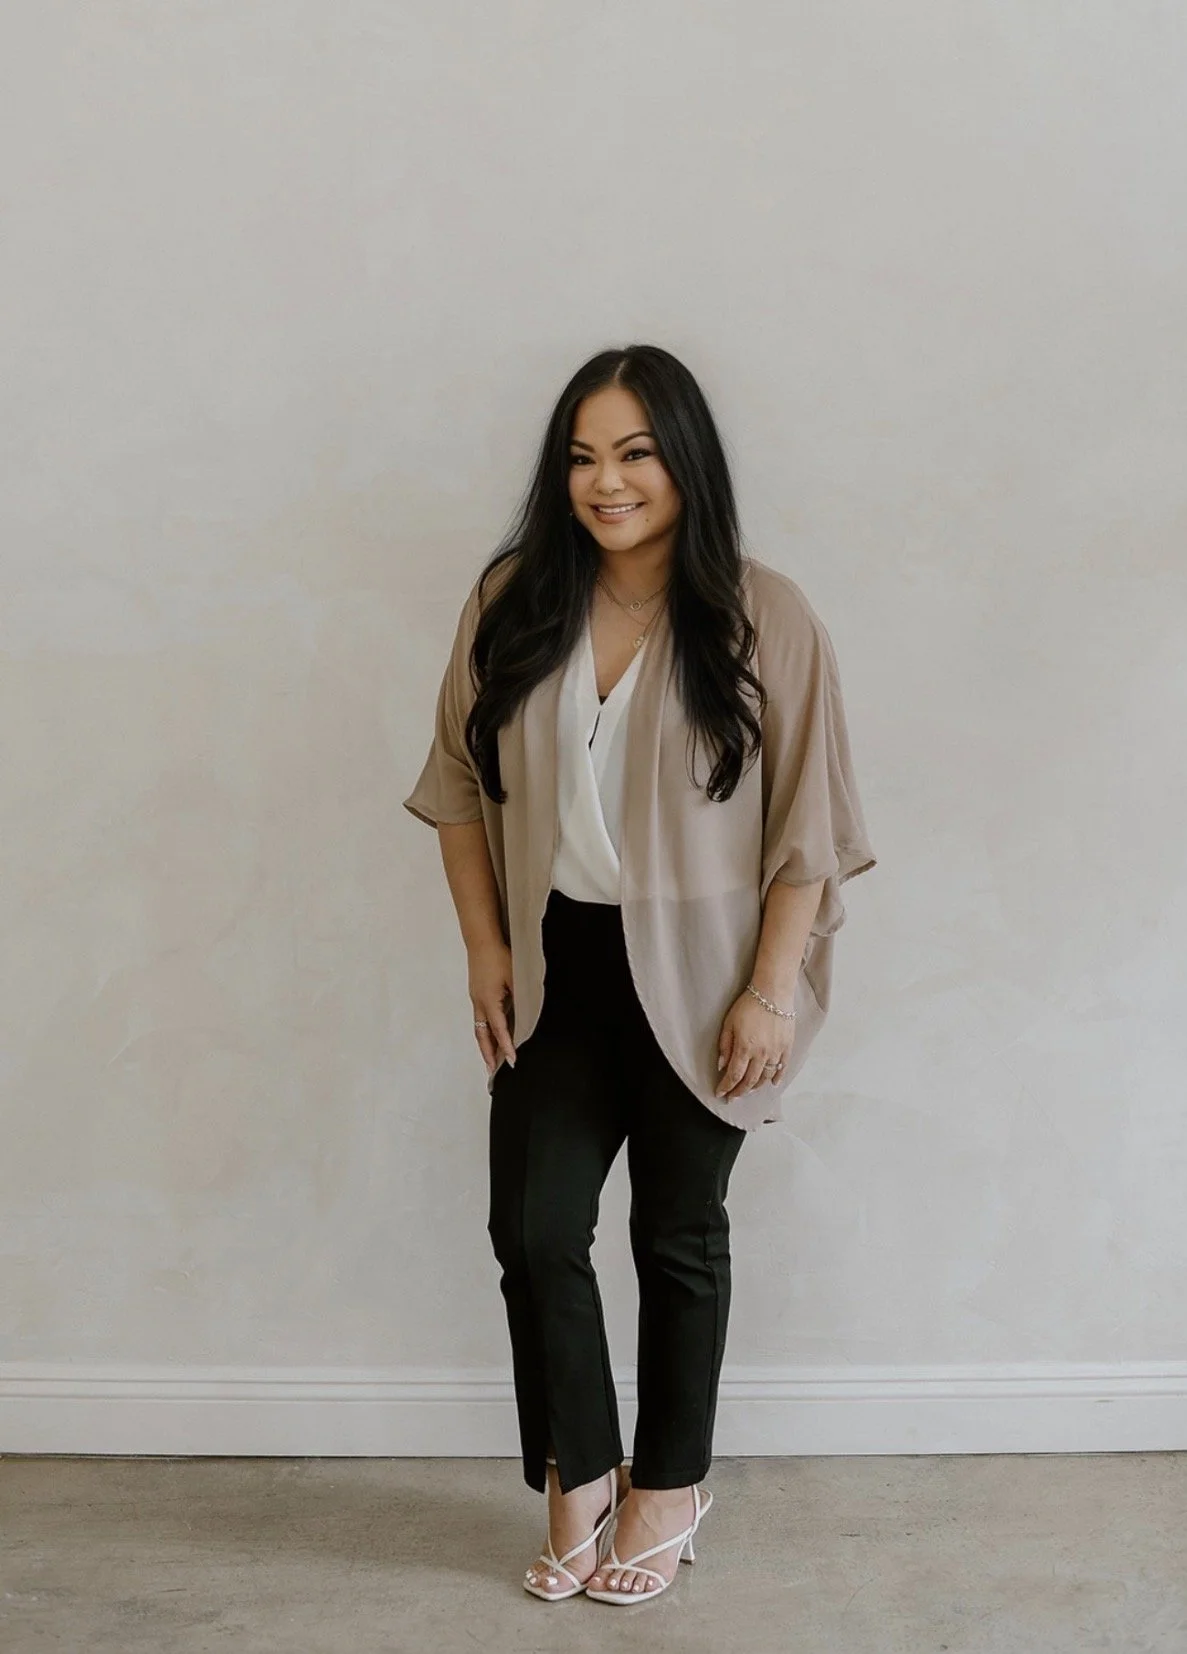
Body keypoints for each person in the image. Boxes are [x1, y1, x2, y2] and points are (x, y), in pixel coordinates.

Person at [403, 343, 877, 1605]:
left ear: (682, 460)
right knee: (534, 1229)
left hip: (710, 974)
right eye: (580, 457)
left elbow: (809, 828)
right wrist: (486, 948)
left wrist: (771, 990)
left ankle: (668, 1487)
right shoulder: (515, 596)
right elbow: (454, 787)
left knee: (676, 1236)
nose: (603, 482)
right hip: (559, 964)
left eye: (632, 453)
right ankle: (580, 1477)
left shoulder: (762, 612)